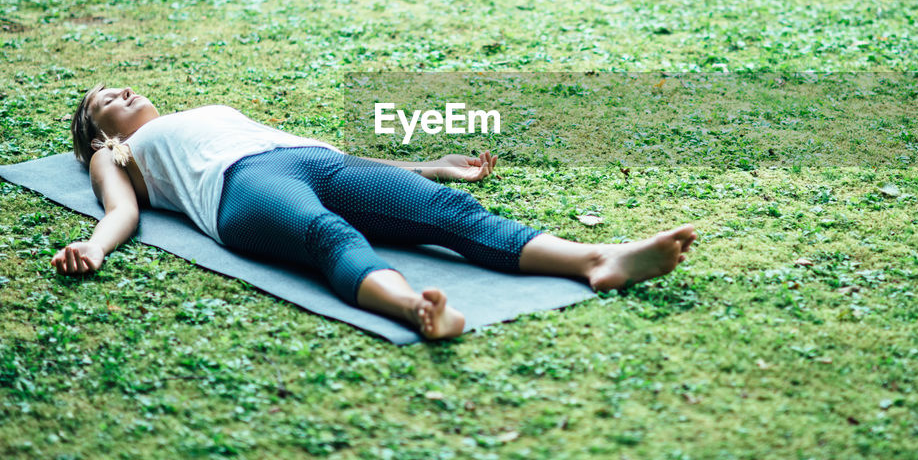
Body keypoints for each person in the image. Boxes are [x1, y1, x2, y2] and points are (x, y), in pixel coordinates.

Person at [52, 84, 698, 340]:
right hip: (240, 190)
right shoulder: (118, 149)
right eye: (100, 99)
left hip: (312, 158)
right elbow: (120, 210)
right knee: (327, 235)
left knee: (451, 211)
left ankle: (597, 258)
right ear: (94, 132)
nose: (117, 90)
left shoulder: (204, 112)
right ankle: (416, 309)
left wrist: (431, 169)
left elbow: (331, 160)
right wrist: (98, 247)